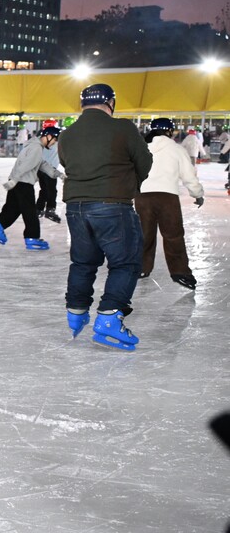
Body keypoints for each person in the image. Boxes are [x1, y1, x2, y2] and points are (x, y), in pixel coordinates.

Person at [57, 83, 152, 351]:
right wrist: (130, 183)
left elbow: (66, 163)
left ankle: (75, 312)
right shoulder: (123, 128)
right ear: (111, 102)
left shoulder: (68, 134)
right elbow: (144, 162)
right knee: (126, 263)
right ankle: (109, 318)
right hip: (113, 206)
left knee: (83, 262)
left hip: (76, 206)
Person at [135, 117, 204, 289]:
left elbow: (130, 171)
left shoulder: (142, 147)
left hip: (143, 197)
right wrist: (197, 194)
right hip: (168, 198)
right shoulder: (176, 149)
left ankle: (141, 268)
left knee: (144, 234)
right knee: (173, 235)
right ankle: (180, 272)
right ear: (170, 131)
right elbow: (189, 176)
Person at [0, 125, 64, 250]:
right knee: (30, 213)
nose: (55, 143)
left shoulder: (34, 146)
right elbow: (26, 165)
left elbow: (42, 164)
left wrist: (58, 174)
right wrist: (15, 180)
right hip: (23, 183)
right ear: (48, 136)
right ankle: (32, 238)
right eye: (55, 139)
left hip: (17, 181)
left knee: (12, 209)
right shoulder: (36, 148)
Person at [35, 118, 63, 223]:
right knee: (51, 190)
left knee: (44, 190)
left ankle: (39, 208)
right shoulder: (56, 139)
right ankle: (50, 209)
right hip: (50, 169)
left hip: (41, 168)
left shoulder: (40, 138)